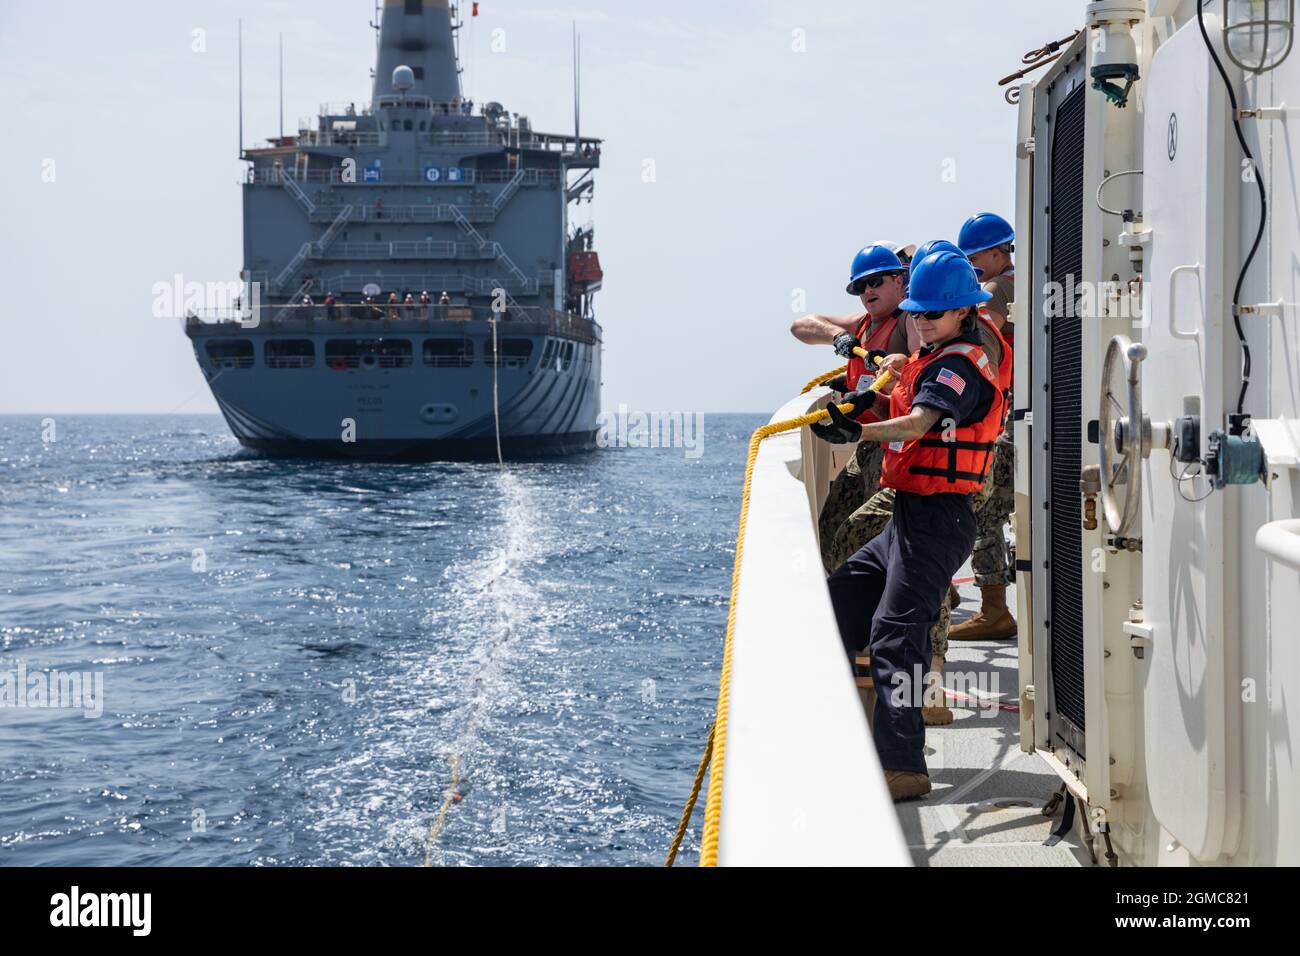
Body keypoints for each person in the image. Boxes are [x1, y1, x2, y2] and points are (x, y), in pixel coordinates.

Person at [820, 252, 1005, 800]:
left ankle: (903, 768)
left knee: (896, 637)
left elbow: (922, 421)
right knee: (840, 600)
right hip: (906, 515)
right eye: (919, 314)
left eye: (935, 314)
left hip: (937, 521)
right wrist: (863, 404)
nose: (922, 322)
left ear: (964, 313)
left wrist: (858, 434)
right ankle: (849, 730)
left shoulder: (959, 367)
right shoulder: (930, 356)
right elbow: (900, 402)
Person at [791, 244, 910, 574]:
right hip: (866, 443)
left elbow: (920, 382)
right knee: (831, 528)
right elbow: (800, 326)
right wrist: (836, 338)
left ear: (899, 281)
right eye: (861, 286)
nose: (868, 290)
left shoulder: (911, 321)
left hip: (896, 445)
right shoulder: (862, 324)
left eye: (876, 281)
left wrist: (887, 381)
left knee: (870, 536)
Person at [950, 213, 1018, 641]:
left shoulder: (995, 290)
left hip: (1001, 419)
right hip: (1020, 413)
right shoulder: (1024, 283)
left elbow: (985, 345)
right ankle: (987, 605)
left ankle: (992, 610)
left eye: (975, 261)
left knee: (982, 510)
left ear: (997, 254)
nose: (973, 271)